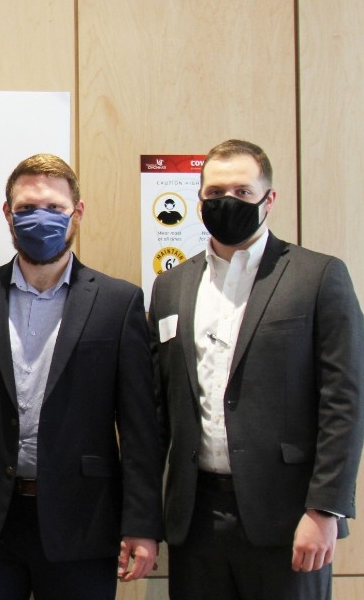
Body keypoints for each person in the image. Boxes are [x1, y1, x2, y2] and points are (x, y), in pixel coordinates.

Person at [0, 153, 163, 599]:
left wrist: (142, 522)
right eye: (26, 208)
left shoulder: (118, 303)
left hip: (82, 522)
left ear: (77, 213)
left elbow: (139, 427)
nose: (39, 218)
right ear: (7, 214)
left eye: (53, 208)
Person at [148, 139, 364, 599]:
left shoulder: (319, 276)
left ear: (269, 198)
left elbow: (345, 402)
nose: (227, 201)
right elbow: (159, 409)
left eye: (242, 191)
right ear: (199, 199)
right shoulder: (170, 286)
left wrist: (324, 510)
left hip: (289, 519)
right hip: (195, 520)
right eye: (215, 192)